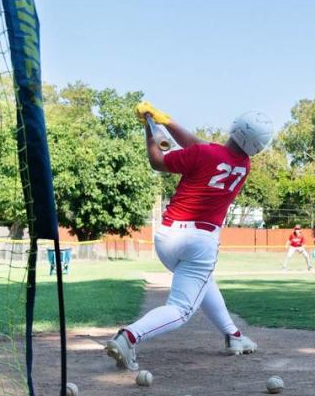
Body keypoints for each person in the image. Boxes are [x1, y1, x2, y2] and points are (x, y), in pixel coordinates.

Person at [104, 101, 273, 371]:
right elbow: (201, 146)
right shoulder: (243, 166)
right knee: (182, 309)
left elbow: (158, 161)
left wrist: (151, 127)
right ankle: (128, 337)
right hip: (200, 242)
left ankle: (234, 336)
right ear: (257, 146)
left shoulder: (205, 153)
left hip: (166, 238)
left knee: (204, 282)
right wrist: (164, 122)